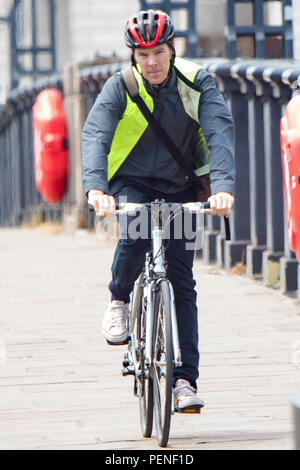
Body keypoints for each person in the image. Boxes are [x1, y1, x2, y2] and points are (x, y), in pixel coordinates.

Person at [82, 9, 235, 413]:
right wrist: (97, 188)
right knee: (133, 234)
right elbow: (96, 133)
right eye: (142, 53)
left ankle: (185, 381)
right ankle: (118, 299)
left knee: (182, 283)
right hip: (130, 183)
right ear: (133, 55)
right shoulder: (120, 86)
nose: (151, 62)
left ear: (172, 50)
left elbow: (220, 132)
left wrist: (222, 189)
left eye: (159, 52)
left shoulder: (196, 82)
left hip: (181, 184)